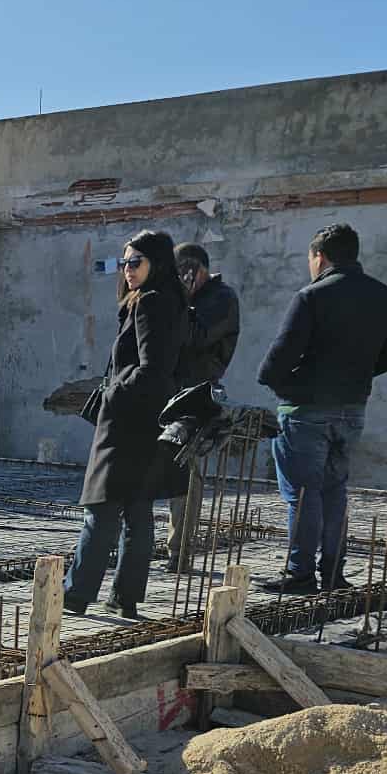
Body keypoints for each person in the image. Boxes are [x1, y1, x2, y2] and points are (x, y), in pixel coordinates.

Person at [254, 223, 387, 594]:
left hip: (306, 410)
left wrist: (287, 387)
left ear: (319, 257)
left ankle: (300, 573)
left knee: (303, 495)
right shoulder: (386, 297)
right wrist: (357, 375)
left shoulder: (312, 297)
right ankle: (333, 573)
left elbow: (275, 362)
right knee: (334, 490)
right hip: (352, 409)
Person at [66, 229, 189, 619]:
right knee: (137, 510)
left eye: (136, 262)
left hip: (129, 422)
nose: (127, 270)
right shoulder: (169, 301)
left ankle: (74, 595)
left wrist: (115, 393)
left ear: (157, 263)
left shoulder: (152, 303)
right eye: (124, 262)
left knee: (102, 508)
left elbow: (152, 369)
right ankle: (125, 597)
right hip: (148, 419)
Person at [155, 243, 240, 567]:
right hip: (169, 392)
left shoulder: (221, 299)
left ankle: (180, 550)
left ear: (197, 270)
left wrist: (181, 300)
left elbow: (196, 338)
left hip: (195, 399)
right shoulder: (189, 300)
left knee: (185, 472)